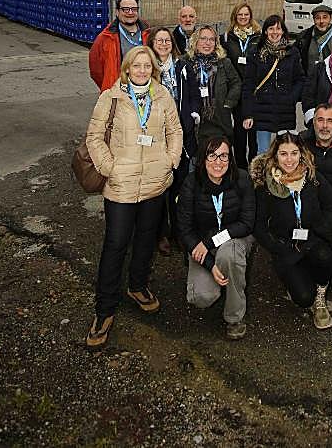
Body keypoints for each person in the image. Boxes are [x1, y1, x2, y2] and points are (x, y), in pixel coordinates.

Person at [84, 45, 183, 349]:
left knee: (146, 239)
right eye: (136, 66)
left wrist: (170, 161)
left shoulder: (163, 96)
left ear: (153, 69)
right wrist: (109, 168)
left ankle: (138, 286)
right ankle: (104, 309)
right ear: (127, 69)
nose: (142, 70)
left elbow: (175, 131)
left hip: (155, 183)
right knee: (115, 245)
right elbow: (94, 137)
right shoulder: (111, 97)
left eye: (147, 66)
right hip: (121, 185)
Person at [250, 133, 332, 329]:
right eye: (283, 154)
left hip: (312, 240)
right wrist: (277, 247)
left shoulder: (312, 177)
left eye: (294, 153)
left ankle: (321, 294)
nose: (289, 159)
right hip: (286, 247)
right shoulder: (266, 185)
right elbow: (258, 225)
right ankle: (297, 281)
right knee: (303, 298)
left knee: (325, 258)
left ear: (301, 154)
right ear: (275, 156)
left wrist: (320, 229)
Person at [177, 136, 255, 339]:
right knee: (201, 297)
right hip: (201, 245)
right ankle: (221, 279)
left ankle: (234, 317)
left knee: (230, 256)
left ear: (230, 159)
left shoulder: (242, 179)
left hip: (234, 239)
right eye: (212, 156)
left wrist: (211, 242)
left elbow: (247, 223)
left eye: (223, 156)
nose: (218, 162)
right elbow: (184, 229)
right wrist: (210, 264)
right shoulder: (191, 183)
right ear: (203, 159)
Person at [147, 27, 201, 255]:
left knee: (180, 187)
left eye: (167, 40)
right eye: (159, 40)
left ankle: (180, 232)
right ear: (152, 44)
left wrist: (192, 115)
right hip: (156, 137)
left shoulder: (182, 66)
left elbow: (195, 95)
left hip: (182, 136)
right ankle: (161, 233)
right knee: (160, 188)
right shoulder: (147, 68)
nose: (164, 44)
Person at [242, 15, 305, 155]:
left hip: (285, 110)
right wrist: (248, 113)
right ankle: (263, 171)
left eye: (278, 28)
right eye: (271, 28)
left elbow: (300, 79)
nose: (275, 32)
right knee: (263, 152)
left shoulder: (292, 52)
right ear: (265, 31)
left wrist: (292, 97)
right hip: (262, 110)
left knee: (285, 151)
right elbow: (249, 84)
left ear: (283, 31)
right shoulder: (255, 53)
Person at [184, 26, 241, 149]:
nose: (207, 43)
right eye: (203, 39)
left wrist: (228, 103)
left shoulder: (224, 62)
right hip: (196, 118)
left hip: (219, 118)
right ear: (195, 41)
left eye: (211, 39)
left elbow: (236, 82)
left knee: (220, 151)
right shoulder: (185, 62)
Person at [220, 2, 261, 169]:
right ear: (234, 17)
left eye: (246, 14)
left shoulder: (258, 36)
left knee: (254, 133)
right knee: (239, 131)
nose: (243, 17)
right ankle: (241, 167)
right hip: (236, 89)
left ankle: (254, 166)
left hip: (254, 90)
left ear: (250, 16)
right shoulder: (226, 38)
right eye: (240, 14)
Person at [89, 0, 150, 92]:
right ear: (117, 12)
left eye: (134, 9)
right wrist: (109, 83)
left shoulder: (149, 34)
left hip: (146, 88)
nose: (130, 12)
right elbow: (96, 69)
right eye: (125, 9)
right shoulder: (105, 38)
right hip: (118, 90)